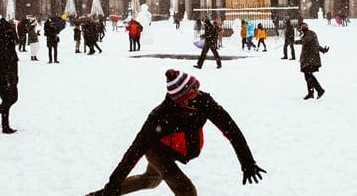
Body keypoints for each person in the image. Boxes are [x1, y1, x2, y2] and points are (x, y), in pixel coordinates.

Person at [85, 69, 265, 196]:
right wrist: (112, 183)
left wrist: (247, 162)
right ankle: (108, 192)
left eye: (197, 88)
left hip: (177, 150)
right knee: (187, 191)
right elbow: (134, 151)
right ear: (181, 100)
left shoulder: (204, 102)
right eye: (193, 92)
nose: (198, 93)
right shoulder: (160, 117)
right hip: (158, 151)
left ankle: (106, 194)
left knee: (150, 181)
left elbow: (230, 129)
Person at [294, 22, 329, 100]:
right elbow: (315, 45)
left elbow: (305, 41)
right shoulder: (307, 35)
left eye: (302, 28)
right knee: (308, 76)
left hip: (311, 59)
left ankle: (318, 90)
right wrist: (323, 50)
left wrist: (295, 42)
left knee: (309, 75)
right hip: (308, 59)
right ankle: (312, 92)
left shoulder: (310, 34)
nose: (302, 30)